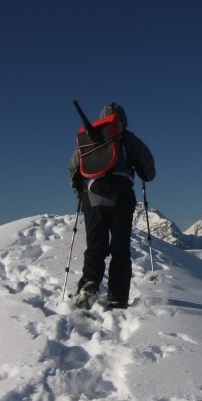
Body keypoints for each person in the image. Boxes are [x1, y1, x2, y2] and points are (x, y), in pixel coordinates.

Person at [67, 102, 155, 310]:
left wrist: (81, 192)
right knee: (120, 249)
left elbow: (73, 169)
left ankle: (88, 286)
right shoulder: (128, 139)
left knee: (95, 247)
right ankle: (117, 298)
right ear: (123, 120)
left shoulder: (88, 139)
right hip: (121, 197)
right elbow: (149, 172)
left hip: (93, 198)